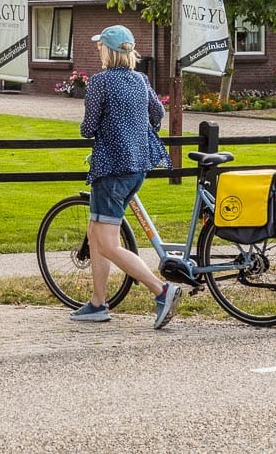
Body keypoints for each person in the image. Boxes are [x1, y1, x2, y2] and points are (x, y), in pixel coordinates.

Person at [71, 24, 181, 329]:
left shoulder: (100, 83)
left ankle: (162, 290)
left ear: (107, 51)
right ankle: (97, 303)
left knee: (108, 244)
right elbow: (157, 113)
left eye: (99, 47)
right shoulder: (140, 80)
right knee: (96, 235)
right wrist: (136, 131)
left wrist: (97, 130)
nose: (97, 51)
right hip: (137, 166)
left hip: (111, 170)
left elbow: (88, 127)